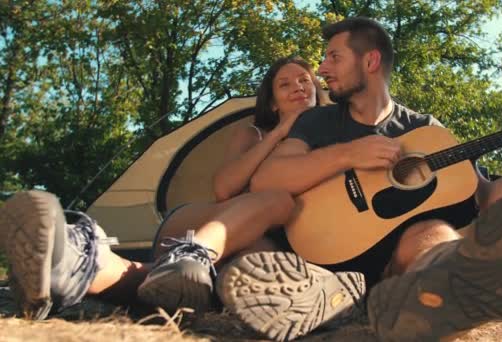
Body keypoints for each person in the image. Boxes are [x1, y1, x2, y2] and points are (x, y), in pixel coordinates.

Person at [216, 17, 502, 341]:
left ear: (370, 61)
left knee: (433, 230)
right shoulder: (316, 121)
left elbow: (488, 195)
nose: (321, 70)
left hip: (398, 262)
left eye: (333, 57)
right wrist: (347, 154)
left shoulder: (425, 131)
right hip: (319, 253)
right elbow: (268, 179)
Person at [0, 56, 367, 322]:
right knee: (276, 199)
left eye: (304, 80)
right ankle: (192, 255)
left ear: (319, 90)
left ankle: (76, 262)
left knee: (230, 274)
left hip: (264, 246)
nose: (298, 87)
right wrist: (280, 132)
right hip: (204, 227)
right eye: (284, 85)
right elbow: (225, 189)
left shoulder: (337, 141)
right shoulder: (253, 133)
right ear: (272, 101)